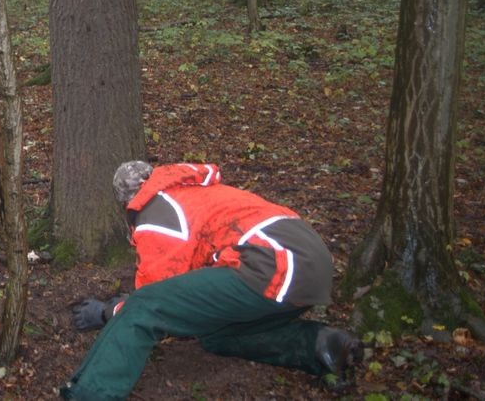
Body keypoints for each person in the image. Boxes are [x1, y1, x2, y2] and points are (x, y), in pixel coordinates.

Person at [60, 161, 363, 400]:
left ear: (127, 200)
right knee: (215, 335)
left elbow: (153, 300)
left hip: (272, 264)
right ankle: (320, 346)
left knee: (144, 307)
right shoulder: (193, 192)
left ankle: (90, 393)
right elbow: (187, 291)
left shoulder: (155, 212)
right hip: (311, 266)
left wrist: (105, 312)